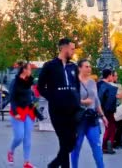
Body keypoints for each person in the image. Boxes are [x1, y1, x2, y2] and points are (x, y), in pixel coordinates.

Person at [37, 38, 81, 168]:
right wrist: (54, 97)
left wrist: (77, 100)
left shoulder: (73, 66)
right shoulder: (49, 66)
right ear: (64, 48)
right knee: (64, 142)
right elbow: (40, 87)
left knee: (71, 142)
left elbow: (77, 86)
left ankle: (54, 165)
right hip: (58, 111)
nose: (73, 51)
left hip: (73, 110)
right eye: (72, 49)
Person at [71, 59, 107, 168]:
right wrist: (82, 101)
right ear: (80, 68)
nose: (89, 68)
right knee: (76, 147)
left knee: (96, 146)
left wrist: (103, 115)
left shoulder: (92, 82)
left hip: (92, 118)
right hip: (79, 119)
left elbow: (96, 100)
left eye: (90, 66)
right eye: (86, 66)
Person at [7, 61, 37, 168]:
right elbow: (12, 98)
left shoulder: (29, 81)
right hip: (18, 112)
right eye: (29, 69)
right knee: (19, 136)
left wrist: (34, 100)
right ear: (24, 70)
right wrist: (15, 112)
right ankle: (11, 151)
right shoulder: (15, 82)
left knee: (27, 137)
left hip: (29, 111)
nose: (31, 71)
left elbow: (32, 94)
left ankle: (26, 162)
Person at [97, 69, 119, 155]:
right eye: (112, 75)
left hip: (98, 109)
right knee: (110, 127)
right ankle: (106, 146)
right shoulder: (110, 87)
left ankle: (106, 146)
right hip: (107, 111)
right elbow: (110, 100)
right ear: (109, 75)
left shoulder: (97, 84)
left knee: (110, 127)